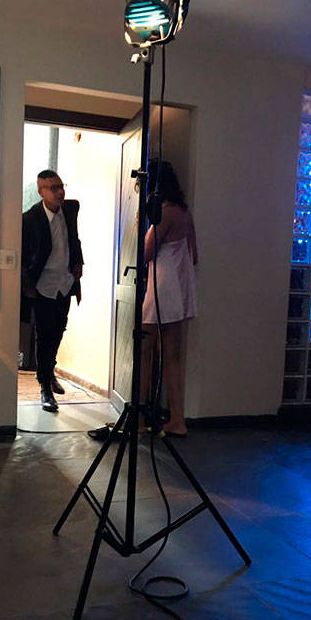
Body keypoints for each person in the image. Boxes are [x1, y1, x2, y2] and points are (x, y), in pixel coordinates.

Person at [140, 160, 197, 437]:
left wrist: (142, 225)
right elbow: (194, 255)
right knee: (172, 356)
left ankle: (139, 420)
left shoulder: (164, 212)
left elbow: (146, 252)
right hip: (179, 286)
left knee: (144, 351)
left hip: (162, 286)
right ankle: (177, 420)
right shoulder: (184, 212)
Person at [21, 170, 84, 413]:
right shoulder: (30, 219)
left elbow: (74, 239)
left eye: (61, 186)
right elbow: (25, 253)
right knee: (44, 335)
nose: (59, 192)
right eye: (52, 188)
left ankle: (49, 370)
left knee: (59, 330)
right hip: (43, 285)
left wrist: (78, 262)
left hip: (65, 283)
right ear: (41, 192)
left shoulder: (70, 210)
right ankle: (45, 386)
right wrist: (28, 284)